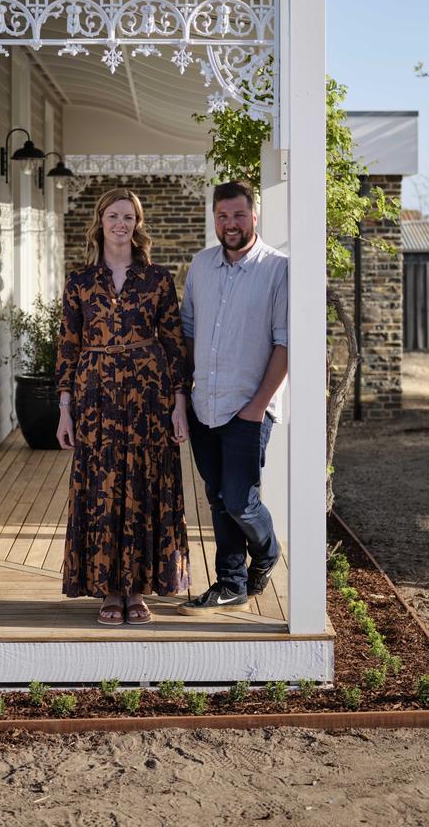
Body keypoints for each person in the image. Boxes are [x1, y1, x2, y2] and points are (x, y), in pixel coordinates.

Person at [55, 188, 190, 626]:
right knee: (103, 487)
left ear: (138, 223)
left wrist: (179, 404)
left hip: (149, 396)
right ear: (100, 222)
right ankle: (109, 589)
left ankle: (136, 589)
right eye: (113, 216)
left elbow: (174, 345)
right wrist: (64, 407)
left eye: (128, 217)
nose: (120, 224)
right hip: (95, 398)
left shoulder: (158, 280)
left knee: (144, 486)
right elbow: (68, 347)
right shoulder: (78, 282)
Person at [177, 180, 287, 616]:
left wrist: (257, 407)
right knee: (219, 498)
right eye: (222, 216)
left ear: (254, 215)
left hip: (249, 408)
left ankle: (267, 551)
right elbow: (187, 333)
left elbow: (286, 343)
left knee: (240, 499)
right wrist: (182, 396)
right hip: (205, 404)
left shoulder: (278, 268)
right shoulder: (201, 266)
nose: (230, 224)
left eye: (238, 215)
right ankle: (231, 583)